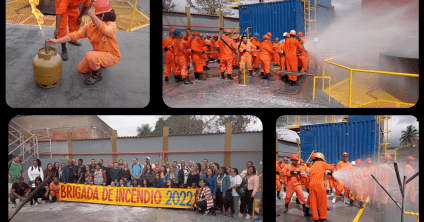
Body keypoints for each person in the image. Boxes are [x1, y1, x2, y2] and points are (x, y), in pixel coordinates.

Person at [47, 0, 121, 85]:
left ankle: (97, 75)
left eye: (98, 16)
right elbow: (74, 35)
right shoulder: (89, 27)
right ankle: (99, 61)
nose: (93, 18)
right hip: (98, 53)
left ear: (105, 15)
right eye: (94, 16)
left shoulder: (110, 24)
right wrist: (57, 41)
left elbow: (108, 31)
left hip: (112, 56)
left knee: (90, 55)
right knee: (81, 69)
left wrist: (93, 15)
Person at [307, 152, 334, 221]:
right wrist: (331, 172)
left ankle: (315, 218)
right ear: (321, 158)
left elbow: (309, 177)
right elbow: (331, 167)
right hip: (319, 184)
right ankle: (322, 217)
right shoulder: (322, 163)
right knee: (322, 202)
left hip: (311, 185)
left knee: (313, 202)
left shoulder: (312, 166)